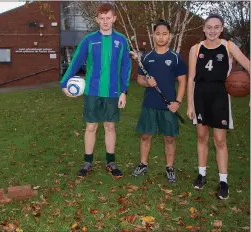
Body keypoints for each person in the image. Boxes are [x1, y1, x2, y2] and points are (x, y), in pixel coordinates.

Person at [60, 3, 131, 178]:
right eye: (102, 18)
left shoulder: (121, 40)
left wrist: (124, 91)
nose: (105, 21)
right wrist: (64, 83)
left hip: (113, 92)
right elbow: (76, 61)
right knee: (91, 126)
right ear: (97, 19)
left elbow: (126, 67)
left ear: (114, 18)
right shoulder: (89, 40)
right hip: (92, 91)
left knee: (110, 126)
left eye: (108, 18)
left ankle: (111, 162)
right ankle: (87, 162)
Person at [187, 14, 250, 199]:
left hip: (220, 97)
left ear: (221, 29)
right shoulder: (195, 48)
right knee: (201, 136)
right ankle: (202, 175)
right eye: (209, 27)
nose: (212, 30)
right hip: (200, 96)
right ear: (204, 29)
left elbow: (248, 65)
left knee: (220, 140)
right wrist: (190, 104)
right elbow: (191, 78)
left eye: (216, 27)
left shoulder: (229, 46)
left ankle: (223, 181)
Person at [130, 20, 187, 184]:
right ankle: (143, 164)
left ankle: (169, 167)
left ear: (170, 35)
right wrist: (148, 83)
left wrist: (178, 102)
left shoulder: (175, 58)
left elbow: (183, 81)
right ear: (153, 35)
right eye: (158, 34)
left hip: (169, 106)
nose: (161, 37)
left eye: (164, 34)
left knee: (169, 138)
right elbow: (140, 79)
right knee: (146, 135)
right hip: (149, 104)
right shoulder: (146, 57)